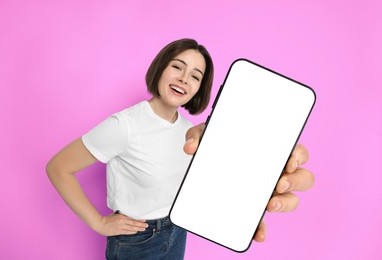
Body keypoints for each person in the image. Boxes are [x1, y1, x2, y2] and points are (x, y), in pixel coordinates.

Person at [46, 38, 314, 259]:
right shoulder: (124, 125)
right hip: (136, 242)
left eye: (195, 76)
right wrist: (99, 223)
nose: (184, 79)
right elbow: (58, 168)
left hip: (177, 230)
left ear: (199, 89)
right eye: (177, 67)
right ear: (162, 67)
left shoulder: (191, 131)